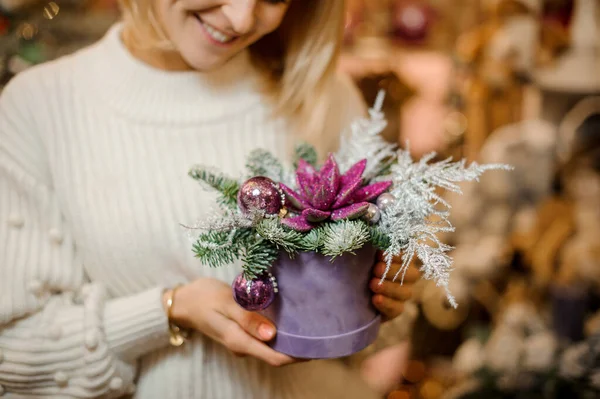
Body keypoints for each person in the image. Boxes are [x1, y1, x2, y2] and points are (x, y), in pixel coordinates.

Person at [0, 0, 419, 397]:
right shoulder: (40, 105)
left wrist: (382, 295)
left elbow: (384, 327)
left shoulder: (317, 90)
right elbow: (13, 353)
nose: (240, 19)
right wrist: (168, 310)